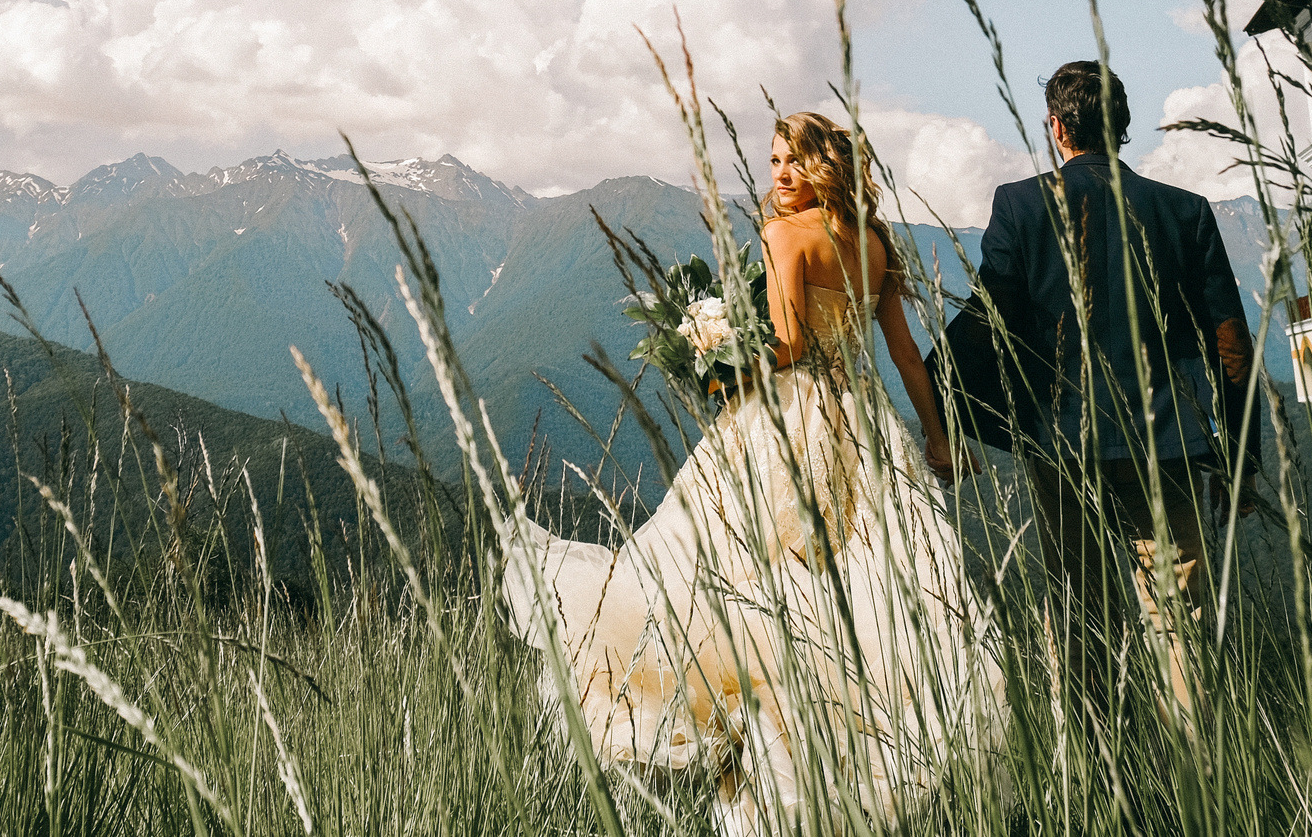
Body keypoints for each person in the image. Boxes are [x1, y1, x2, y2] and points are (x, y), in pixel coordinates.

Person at [505, 112, 1001, 834]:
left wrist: (713, 358)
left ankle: (763, 787)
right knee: (857, 591)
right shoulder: (875, 243)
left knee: (738, 586)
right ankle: (836, 770)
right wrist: (936, 436)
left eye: (792, 162)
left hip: (784, 423)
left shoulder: (781, 235)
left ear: (822, 165)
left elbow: (791, 342)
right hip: (863, 425)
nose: (778, 175)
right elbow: (902, 354)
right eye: (773, 161)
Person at [975, 60, 1255, 696]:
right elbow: (1232, 344)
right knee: (1180, 618)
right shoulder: (1185, 212)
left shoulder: (1019, 206)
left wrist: (963, 419)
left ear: (1055, 128)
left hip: (1061, 441)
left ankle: (1096, 777)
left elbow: (992, 323)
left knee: (1078, 614)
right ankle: (1201, 777)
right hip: (1169, 444)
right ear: (1123, 126)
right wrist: (1238, 460)